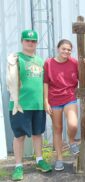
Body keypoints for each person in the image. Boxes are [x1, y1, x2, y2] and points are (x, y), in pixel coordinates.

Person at [7, 30, 52, 181]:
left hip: (38, 104)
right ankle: (18, 166)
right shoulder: (16, 58)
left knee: (37, 133)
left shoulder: (40, 61)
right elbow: (10, 79)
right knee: (19, 136)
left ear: (36, 43)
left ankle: (39, 160)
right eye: (27, 40)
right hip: (19, 104)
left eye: (33, 41)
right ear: (22, 41)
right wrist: (12, 61)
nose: (30, 43)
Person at [43, 39, 85, 171]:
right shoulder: (49, 63)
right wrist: (46, 102)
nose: (66, 51)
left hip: (69, 97)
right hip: (54, 99)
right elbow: (45, 82)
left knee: (73, 124)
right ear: (58, 48)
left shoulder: (74, 62)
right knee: (57, 129)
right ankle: (59, 158)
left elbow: (82, 78)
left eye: (69, 49)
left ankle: (72, 141)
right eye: (64, 49)